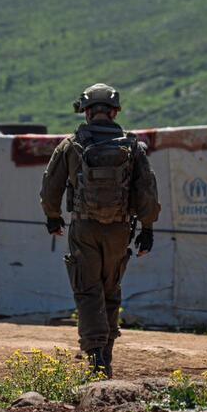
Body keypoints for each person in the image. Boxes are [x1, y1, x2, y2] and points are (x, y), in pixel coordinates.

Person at [40, 83, 161, 377]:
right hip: (120, 230)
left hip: (84, 228)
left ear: (86, 112)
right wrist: (147, 229)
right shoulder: (132, 147)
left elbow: (49, 187)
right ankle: (106, 353)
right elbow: (147, 192)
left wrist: (53, 217)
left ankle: (96, 360)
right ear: (115, 111)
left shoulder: (71, 145)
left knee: (87, 289)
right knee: (110, 289)